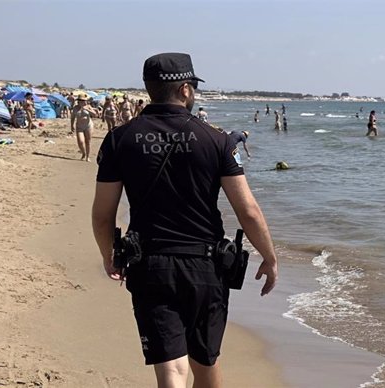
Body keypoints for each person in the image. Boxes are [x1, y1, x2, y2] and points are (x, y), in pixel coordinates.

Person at [91, 52, 278, 388]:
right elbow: (247, 209)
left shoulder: (120, 139)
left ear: (149, 89)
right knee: (205, 364)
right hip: (206, 267)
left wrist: (108, 255)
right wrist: (270, 256)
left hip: (150, 265)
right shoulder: (216, 140)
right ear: (186, 90)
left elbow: (103, 215)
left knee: (172, 371)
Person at [70, 93, 98, 161]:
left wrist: (87, 109)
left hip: (88, 125)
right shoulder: (76, 108)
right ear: (78, 101)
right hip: (79, 126)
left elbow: (95, 115)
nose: (82, 102)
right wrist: (72, 125)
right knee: (81, 141)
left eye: (84, 100)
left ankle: (87, 156)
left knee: (87, 141)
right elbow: (73, 117)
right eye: (81, 100)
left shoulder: (88, 106)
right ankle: (83, 153)